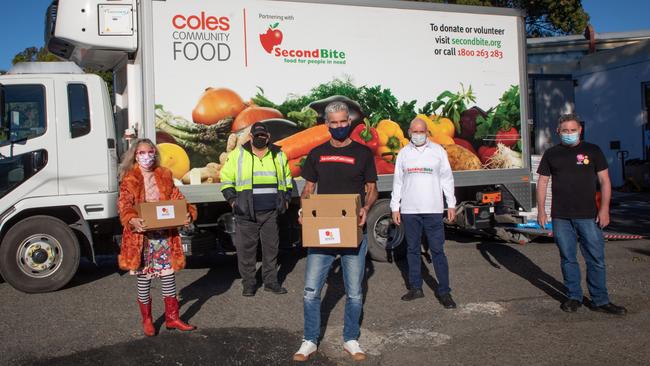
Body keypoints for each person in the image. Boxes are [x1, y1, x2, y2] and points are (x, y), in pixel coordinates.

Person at [293, 101, 378, 362]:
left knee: (354, 292)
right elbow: (308, 188)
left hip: (352, 229)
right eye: (335, 122)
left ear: (349, 123)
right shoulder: (317, 153)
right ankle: (309, 340)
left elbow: (372, 187)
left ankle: (350, 338)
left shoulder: (363, 153)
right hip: (324, 232)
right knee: (310, 291)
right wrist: (303, 209)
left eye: (344, 122)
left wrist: (365, 207)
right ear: (327, 124)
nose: (340, 126)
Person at [536, 113, 626, 315]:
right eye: (565, 130)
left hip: (589, 215)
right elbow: (542, 182)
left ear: (580, 130)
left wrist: (604, 209)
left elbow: (604, 181)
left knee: (595, 258)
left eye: (573, 130)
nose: (569, 134)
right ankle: (573, 296)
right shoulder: (552, 154)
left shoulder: (592, 151)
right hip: (561, 217)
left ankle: (600, 300)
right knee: (568, 258)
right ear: (558, 131)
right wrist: (541, 210)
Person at [117, 138, 197, 337]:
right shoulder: (130, 178)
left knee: (168, 275)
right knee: (144, 278)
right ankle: (147, 320)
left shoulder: (164, 175)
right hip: (142, 238)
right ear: (135, 155)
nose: (147, 156)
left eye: (150, 152)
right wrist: (132, 219)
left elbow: (177, 198)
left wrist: (187, 212)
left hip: (164, 236)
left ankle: (172, 318)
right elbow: (124, 205)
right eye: (142, 153)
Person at [390, 117, 458, 308]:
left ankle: (445, 292)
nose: (418, 135)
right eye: (415, 132)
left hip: (433, 209)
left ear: (427, 132)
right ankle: (416, 287)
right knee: (412, 250)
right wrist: (396, 207)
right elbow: (398, 182)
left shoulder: (438, 152)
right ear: (409, 132)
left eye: (422, 132)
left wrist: (450, 204)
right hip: (410, 210)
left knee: (437, 250)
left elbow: (447, 179)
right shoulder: (403, 154)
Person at [220, 122, 293, 296]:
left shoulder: (279, 155)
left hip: (270, 212)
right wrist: (233, 201)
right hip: (246, 211)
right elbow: (226, 179)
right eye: (257, 136)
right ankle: (249, 284)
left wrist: (286, 199)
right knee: (246, 251)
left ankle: (271, 282)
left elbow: (287, 180)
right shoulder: (238, 154)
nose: (261, 138)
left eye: (264, 136)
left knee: (271, 249)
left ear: (268, 137)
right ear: (251, 137)